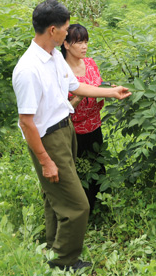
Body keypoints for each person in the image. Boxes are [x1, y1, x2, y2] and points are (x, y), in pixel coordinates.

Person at [12, 0, 131, 272]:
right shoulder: (28, 69)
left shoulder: (54, 56)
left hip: (66, 129)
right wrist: (45, 160)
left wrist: (112, 92)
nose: (69, 33)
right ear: (53, 30)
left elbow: (76, 85)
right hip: (48, 138)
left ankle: (53, 245)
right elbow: (27, 123)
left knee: (55, 196)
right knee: (78, 206)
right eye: (66, 29)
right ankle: (64, 261)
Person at [61, 23, 105, 214]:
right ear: (67, 44)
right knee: (76, 171)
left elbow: (99, 85)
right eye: (79, 42)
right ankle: (80, 211)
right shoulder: (61, 71)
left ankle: (100, 207)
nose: (84, 47)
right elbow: (60, 110)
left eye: (86, 42)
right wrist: (79, 97)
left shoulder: (90, 63)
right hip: (73, 130)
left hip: (95, 125)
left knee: (98, 166)